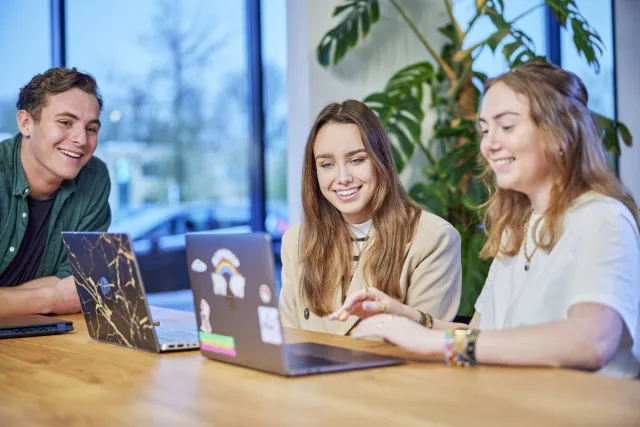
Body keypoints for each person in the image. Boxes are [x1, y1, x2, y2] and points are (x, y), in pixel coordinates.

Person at [338, 62, 640, 379]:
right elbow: (482, 333)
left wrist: (436, 343)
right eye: (484, 130)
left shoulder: (601, 217)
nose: (489, 144)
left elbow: (590, 341)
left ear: (561, 133)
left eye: (506, 127)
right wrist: (406, 317)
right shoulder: (516, 230)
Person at [278, 100, 462, 335]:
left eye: (356, 160)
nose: (342, 177)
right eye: (327, 164)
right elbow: (289, 338)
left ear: (380, 161)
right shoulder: (296, 241)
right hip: (307, 372)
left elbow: (425, 345)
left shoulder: (434, 238)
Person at [0, 67, 111, 317]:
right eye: (65, 122)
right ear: (26, 123)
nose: (81, 139)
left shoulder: (94, 179)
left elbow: (77, 284)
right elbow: (66, 296)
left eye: (91, 128)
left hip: (44, 339)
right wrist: (53, 299)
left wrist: (11, 301)